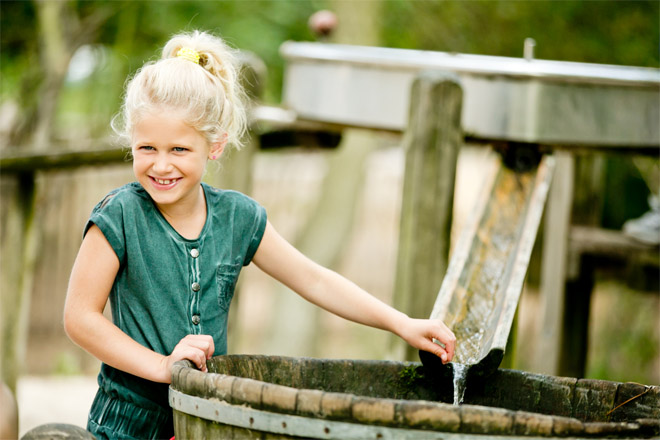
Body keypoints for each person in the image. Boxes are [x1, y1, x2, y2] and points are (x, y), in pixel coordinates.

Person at [63, 30, 456, 440]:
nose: (161, 166)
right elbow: (79, 318)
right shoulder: (120, 215)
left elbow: (314, 279)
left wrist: (401, 323)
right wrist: (161, 367)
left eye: (178, 150)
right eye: (147, 148)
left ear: (214, 146)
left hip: (208, 422)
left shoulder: (239, 218)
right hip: (127, 424)